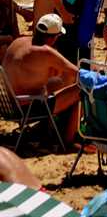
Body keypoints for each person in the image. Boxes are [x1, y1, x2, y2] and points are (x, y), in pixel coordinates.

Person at [1, 14, 79, 147]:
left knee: (60, 81)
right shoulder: (46, 52)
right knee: (79, 90)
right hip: (27, 108)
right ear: (55, 37)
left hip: (7, 105)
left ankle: (47, 128)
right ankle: (69, 140)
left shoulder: (18, 42)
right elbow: (77, 73)